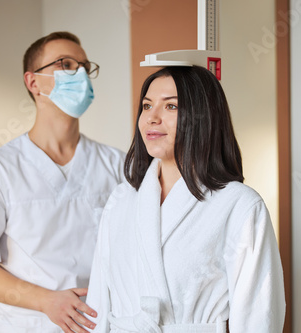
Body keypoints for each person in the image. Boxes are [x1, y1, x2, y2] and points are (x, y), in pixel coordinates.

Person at [84, 66, 286, 332]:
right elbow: (99, 301)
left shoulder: (239, 205)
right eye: (147, 105)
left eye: (171, 107)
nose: (152, 118)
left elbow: (258, 315)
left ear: (203, 117)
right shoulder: (122, 200)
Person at [0, 31, 125, 333]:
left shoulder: (118, 165)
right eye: (65, 65)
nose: (80, 74)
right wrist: (46, 301)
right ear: (33, 82)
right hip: (26, 326)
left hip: (102, 324)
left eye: (85, 66)